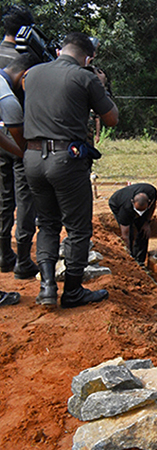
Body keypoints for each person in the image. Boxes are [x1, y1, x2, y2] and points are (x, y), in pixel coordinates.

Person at [23, 32, 119, 308]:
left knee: (47, 223)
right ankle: (73, 291)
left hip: (32, 158)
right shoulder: (85, 77)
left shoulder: (32, 74)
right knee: (77, 228)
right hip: (66, 159)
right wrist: (101, 86)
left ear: (60, 50)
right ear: (88, 58)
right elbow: (111, 119)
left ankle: (47, 287)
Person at [0, 5, 34, 274]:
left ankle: (4, 254)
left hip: (1, 135)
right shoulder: (27, 61)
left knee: (3, 197)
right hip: (21, 132)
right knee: (25, 198)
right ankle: (23, 259)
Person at [108, 183, 157, 266]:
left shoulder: (151, 192)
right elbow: (125, 234)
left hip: (137, 203)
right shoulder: (125, 209)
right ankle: (132, 258)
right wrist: (128, 253)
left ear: (148, 203)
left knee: (143, 231)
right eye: (137, 211)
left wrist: (146, 222)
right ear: (132, 202)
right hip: (117, 204)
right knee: (130, 233)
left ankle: (140, 260)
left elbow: (153, 206)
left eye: (141, 211)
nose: (139, 214)